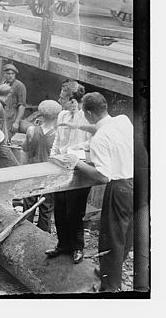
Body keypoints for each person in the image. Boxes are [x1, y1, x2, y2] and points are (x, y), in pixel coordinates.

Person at [69, 92, 133, 292]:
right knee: (127, 234)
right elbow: (102, 126)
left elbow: (103, 176)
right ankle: (109, 271)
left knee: (111, 237)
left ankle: (110, 287)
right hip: (138, 182)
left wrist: (76, 162)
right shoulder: (123, 120)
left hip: (119, 187)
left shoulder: (99, 139)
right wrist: (79, 127)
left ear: (88, 113)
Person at [44, 81, 92, 264]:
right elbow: (58, 138)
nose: (58, 99)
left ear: (73, 101)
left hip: (79, 168)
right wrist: (53, 156)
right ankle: (63, 244)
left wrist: (74, 153)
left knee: (74, 211)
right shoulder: (62, 114)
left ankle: (77, 247)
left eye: (62, 97)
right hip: (61, 167)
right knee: (60, 209)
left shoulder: (87, 118)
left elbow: (91, 143)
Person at [20, 100, 62, 233]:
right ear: (56, 116)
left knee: (28, 207)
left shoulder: (31, 130)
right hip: (49, 176)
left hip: (32, 174)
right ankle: (43, 235)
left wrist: (23, 171)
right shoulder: (58, 134)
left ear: (41, 114)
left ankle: (25, 232)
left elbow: (24, 151)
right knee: (46, 209)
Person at [2, 63, 27, 137]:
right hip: (2, 116)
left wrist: (16, 122)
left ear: (15, 75)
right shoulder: (3, 84)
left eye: (12, 74)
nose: (10, 76)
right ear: (4, 74)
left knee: (8, 138)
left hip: (11, 118)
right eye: (8, 73)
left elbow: (22, 105)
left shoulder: (19, 86)